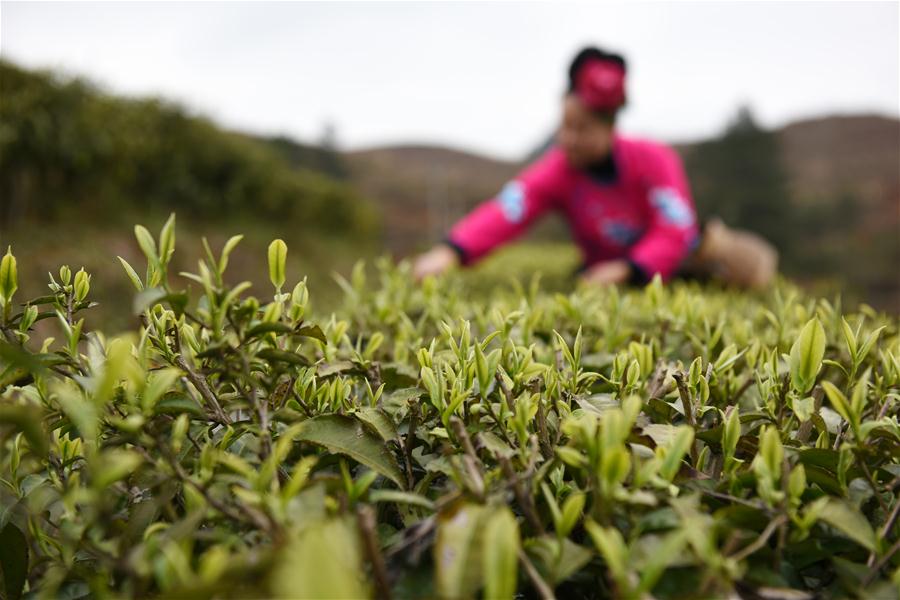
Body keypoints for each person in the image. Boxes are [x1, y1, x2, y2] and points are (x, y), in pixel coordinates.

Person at [413, 46, 778, 289]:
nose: (568, 138)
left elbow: (675, 228)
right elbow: (510, 208)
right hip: (603, 274)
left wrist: (626, 269)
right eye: (565, 126)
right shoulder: (559, 170)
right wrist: (451, 251)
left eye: (582, 129)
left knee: (752, 267)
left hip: (673, 268)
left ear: (610, 127)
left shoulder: (654, 159)